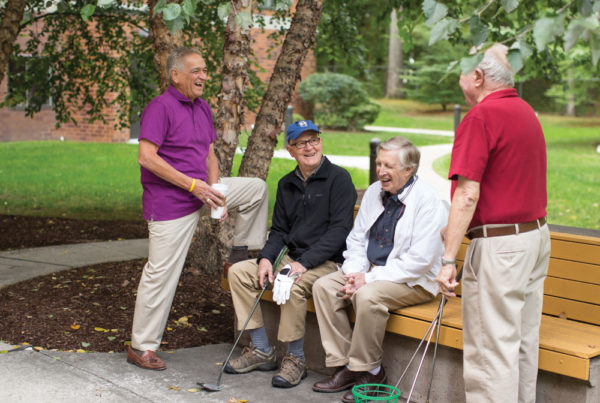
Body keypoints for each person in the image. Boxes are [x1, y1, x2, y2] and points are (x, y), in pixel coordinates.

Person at [126, 47, 269, 371]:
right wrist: (193, 186)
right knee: (161, 275)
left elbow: (209, 156)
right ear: (175, 75)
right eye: (195, 71)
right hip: (170, 203)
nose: (203, 76)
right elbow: (147, 158)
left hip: (202, 192)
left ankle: (241, 253)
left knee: (255, 190)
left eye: (205, 70)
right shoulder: (159, 108)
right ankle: (141, 347)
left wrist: (215, 191)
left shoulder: (203, 107)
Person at [436, 44, 550, 403]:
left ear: (478, 76)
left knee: (490, 353)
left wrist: (447, 259)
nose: (459, 80)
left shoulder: (481, 118)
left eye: (461, 72)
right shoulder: (525, 111)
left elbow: (467, 195)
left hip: (501, 250)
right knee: (521, 344)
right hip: (534, 238)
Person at [312, 136, 447, 403]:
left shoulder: (430, 203)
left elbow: (419, 261)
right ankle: (345, 366)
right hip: (372, 272)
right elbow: (357, 239)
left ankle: (371, 371)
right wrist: (354, 273)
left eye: (388, 166)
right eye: (379, 163)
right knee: (324, 287)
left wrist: (368, 279)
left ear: (408, 170)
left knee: (368, 296)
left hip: (413, 281)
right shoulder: (375, 191)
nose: (381, 171)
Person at [225, 120, 357, 388]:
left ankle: (296, 359)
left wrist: (302, 264)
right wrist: (265, 258)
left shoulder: (339, 179)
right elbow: (280, 231)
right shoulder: (287, 184)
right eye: (302, 143)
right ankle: (261, 350)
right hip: (293, 257)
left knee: (291, 283)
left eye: (314, 140)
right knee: (239, 272)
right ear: (290, 149)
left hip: (328, 261)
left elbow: (340, 232)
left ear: (320, 142)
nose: (310, 147)